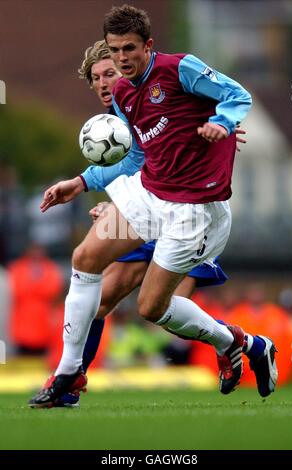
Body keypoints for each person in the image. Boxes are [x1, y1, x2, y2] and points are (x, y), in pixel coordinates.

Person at [29, 5, 277, 408]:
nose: (122, 59)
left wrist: (223, 123)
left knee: (151, 308)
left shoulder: (181, 69)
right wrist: (80, 182)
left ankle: (241, 343)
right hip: (150, 194)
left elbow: (237, 95)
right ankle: (68, 373)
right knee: (85, 258)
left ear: (148, 45)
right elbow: (135, 156)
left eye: (128, 49)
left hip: (194, 210)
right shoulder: (126, 94)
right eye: (115, 51)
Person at [59, 39, 231, 407]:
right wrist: (108, 203)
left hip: (183, 212)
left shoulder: (149, 102)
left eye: (110, 72)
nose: (105, 82)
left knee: (158, 307)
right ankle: (70, 381)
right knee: (107, 300)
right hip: (143, 211)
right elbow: (133, 165)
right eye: (96, 77)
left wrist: (221, 126)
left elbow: (171, 140)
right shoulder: (111, 124)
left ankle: (232, 343)